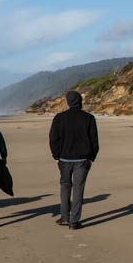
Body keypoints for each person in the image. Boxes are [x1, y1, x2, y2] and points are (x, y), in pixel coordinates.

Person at [49, 91, 99, 230]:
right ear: (80, 102)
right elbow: (94, 140)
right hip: (82, 159)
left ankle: (65, 217)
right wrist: (92, 157)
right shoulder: (89, 118)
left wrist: (56, 156)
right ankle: (74, 221)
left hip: (65, 159)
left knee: (65, 186)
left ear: (68, 102)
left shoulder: (59, 118)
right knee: (78, 189)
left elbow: (53, 139)